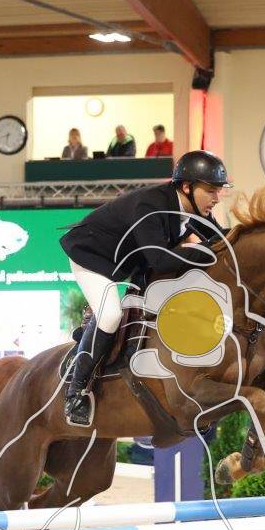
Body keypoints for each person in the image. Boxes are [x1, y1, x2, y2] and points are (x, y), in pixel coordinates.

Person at [58, 150, 230, 426]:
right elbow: (160, 260)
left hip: (131, 263)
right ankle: (76, 391)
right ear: (187, 187)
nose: (217, 198)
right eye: (211, 190)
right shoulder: (151, 204)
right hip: (91, 256)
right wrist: (205, 251)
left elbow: (224, 243)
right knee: (110, 315)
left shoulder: (195, 211)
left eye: (219, 191)